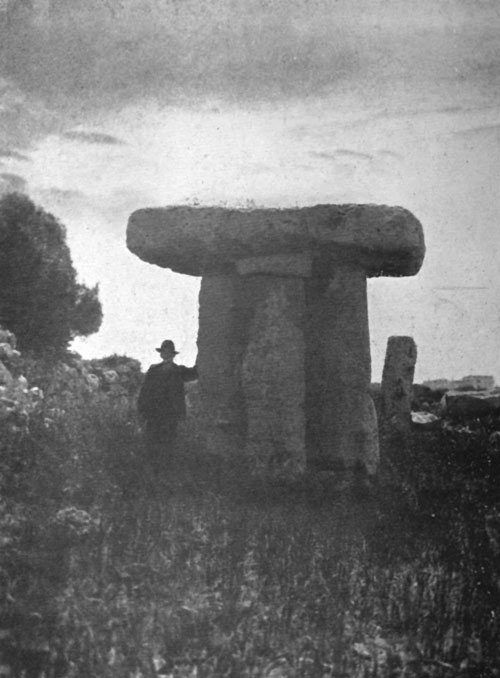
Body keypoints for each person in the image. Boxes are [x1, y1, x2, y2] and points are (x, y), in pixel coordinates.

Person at [137, 339, 198, 471]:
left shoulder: (179, 370)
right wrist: (142, 409)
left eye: (169, 352)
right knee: (152, 442)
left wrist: (203, 354)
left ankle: (166, 471)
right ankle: (154, 471)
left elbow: (195, 373)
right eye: (164, 351)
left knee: (168, 442)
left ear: (173, 354)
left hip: (170, 414)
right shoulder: (153, 370)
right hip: (154, 413)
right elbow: (145, 391)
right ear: (161, 354)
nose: (166, 354)